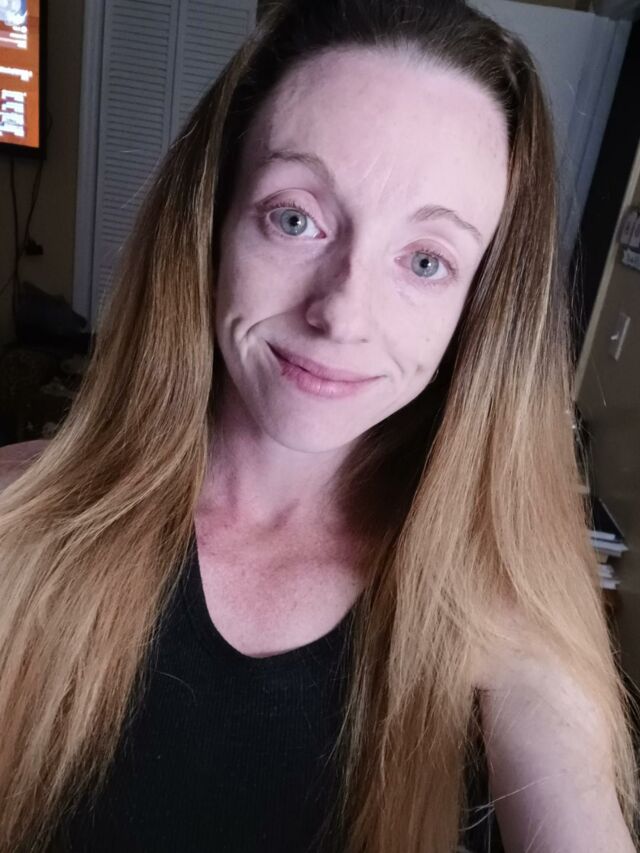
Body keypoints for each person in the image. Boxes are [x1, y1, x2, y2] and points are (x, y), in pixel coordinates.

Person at [0, 1, 637, 850]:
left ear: (478, 309)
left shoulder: (504, 611)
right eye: (295, 218)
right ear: (212, 222)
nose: (341, 314)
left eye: (425, 261)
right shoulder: (17, 520)